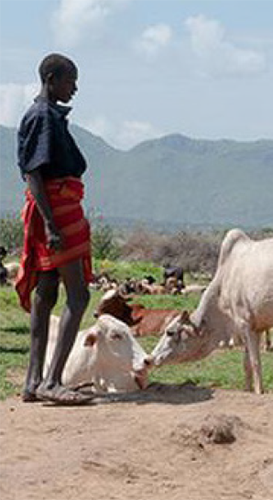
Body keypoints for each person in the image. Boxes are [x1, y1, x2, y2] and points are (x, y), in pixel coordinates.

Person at [15, 53, 93, 405]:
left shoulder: (46, 116)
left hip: (55, 210)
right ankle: (52, 380)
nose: (74, 87)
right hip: (57, 213)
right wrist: (49, 223)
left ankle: (33, 382)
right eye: (69, 80)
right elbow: (33, 173)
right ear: (50, 78)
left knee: (47, 293)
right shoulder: (42, 117)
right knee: (78, 297)